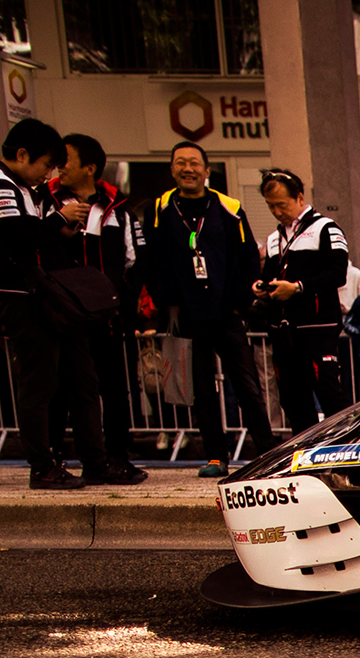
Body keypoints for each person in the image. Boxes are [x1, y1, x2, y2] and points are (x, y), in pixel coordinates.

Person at [0, 119, 108, 489]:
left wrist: (61, 228)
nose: (49, 173)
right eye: (46, 164)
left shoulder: (24, 187)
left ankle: (95, 460)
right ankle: (42, 465)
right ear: (21, 155)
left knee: (82, 379)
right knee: (39, 384)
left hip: (48, 293)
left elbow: (38, 236)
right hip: (20, 296)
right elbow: (17, 237)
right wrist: (58, 221)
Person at [133, 139, 273, 477]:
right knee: (200, 390)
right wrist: (166, 303)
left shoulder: (230, 207)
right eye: (180, 163)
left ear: (206, 171)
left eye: (194, 163)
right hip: (186, 315)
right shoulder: (158, 209)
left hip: (227, 312)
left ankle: (268, 454)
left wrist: (243, 301)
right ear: (172, 170)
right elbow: (149, 261)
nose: (188, 169)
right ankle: (216, 456)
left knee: (248, 387)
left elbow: (248, 257)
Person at [43, 132, 145, 482]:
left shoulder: (118, 208)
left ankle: (116, 457)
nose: (59, 167)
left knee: (115, 388)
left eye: (65, 160)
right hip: (64, 314)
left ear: (90, 168)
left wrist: (123, 306)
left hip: (108, 317)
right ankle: (54, 459)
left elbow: (135, 263)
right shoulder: (48, 202)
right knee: (58, 388)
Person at [252, 168, 352, 430]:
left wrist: (297, 288)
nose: (276, 211)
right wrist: (262, 287)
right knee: (292, 399)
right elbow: (269, 276)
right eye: (270, 206)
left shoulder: (326, 228)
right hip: (283, 332)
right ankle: (304, 458)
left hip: (317, 329)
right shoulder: (274, 238)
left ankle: (347, 458)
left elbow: (337, 274)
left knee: (330, 395)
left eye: (281, 205)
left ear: (299, 197)